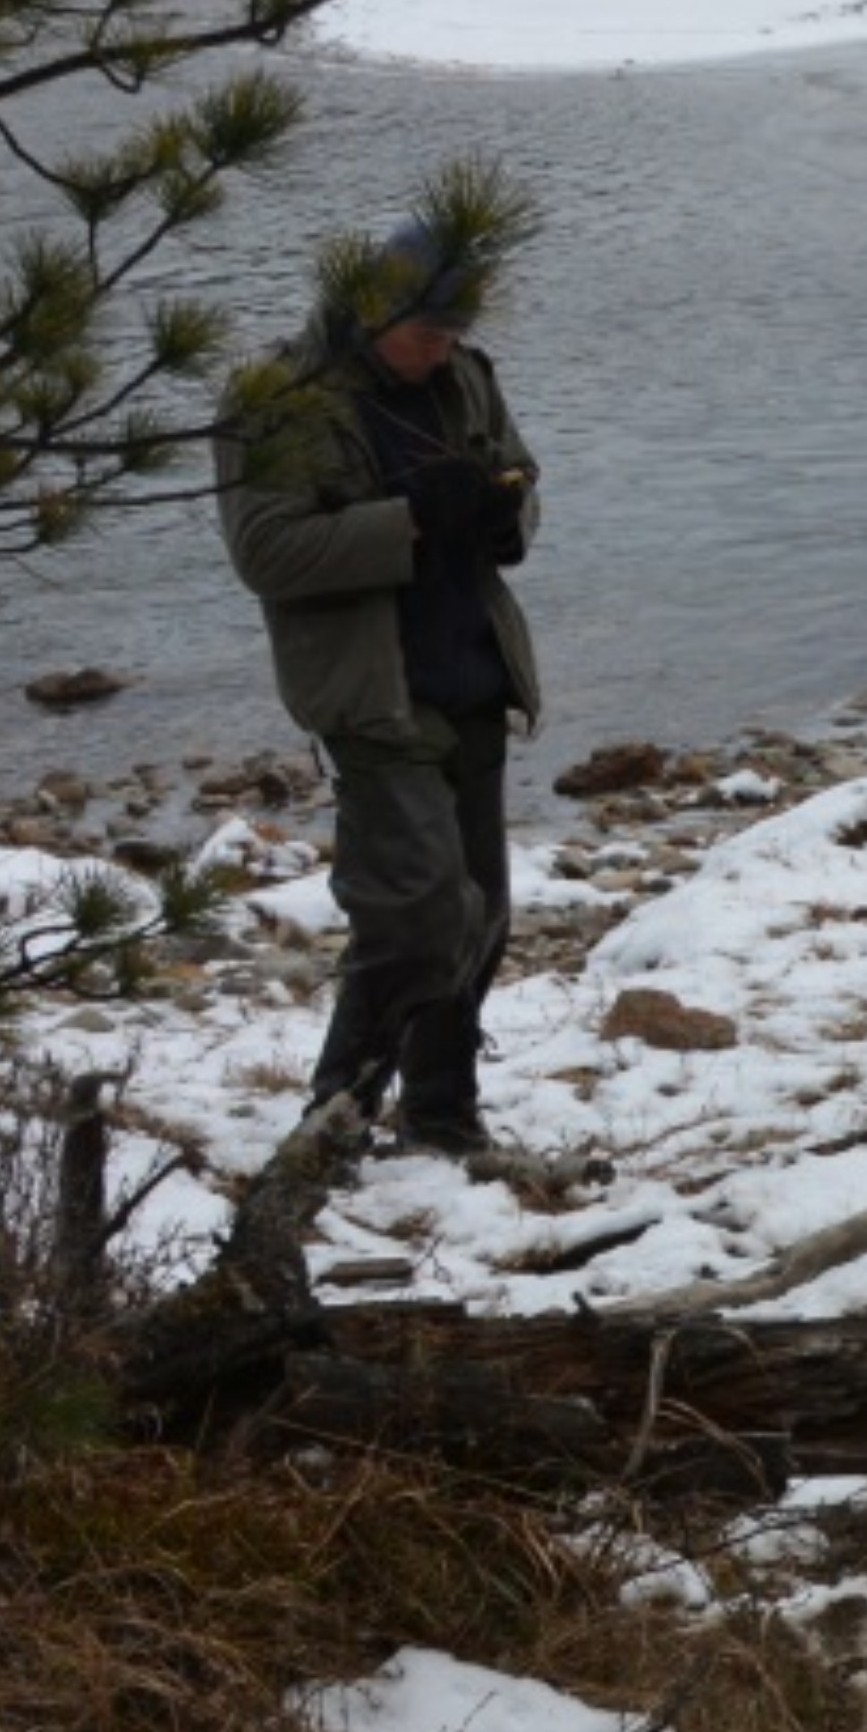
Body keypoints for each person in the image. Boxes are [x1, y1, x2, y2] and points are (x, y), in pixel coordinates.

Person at [213, 222, 544, 1158]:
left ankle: (441, 1115)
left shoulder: (464, 375)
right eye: (426, 331)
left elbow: (521, 478)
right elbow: (266, 554)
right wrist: (410, 523)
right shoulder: (280, 398)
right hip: (372, 688)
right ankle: (340, 1113)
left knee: (482, 916)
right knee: (422, 916)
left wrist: (505, 513)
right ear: (371, 310)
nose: (440, 348)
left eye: (454, 331)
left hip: (473, 668)